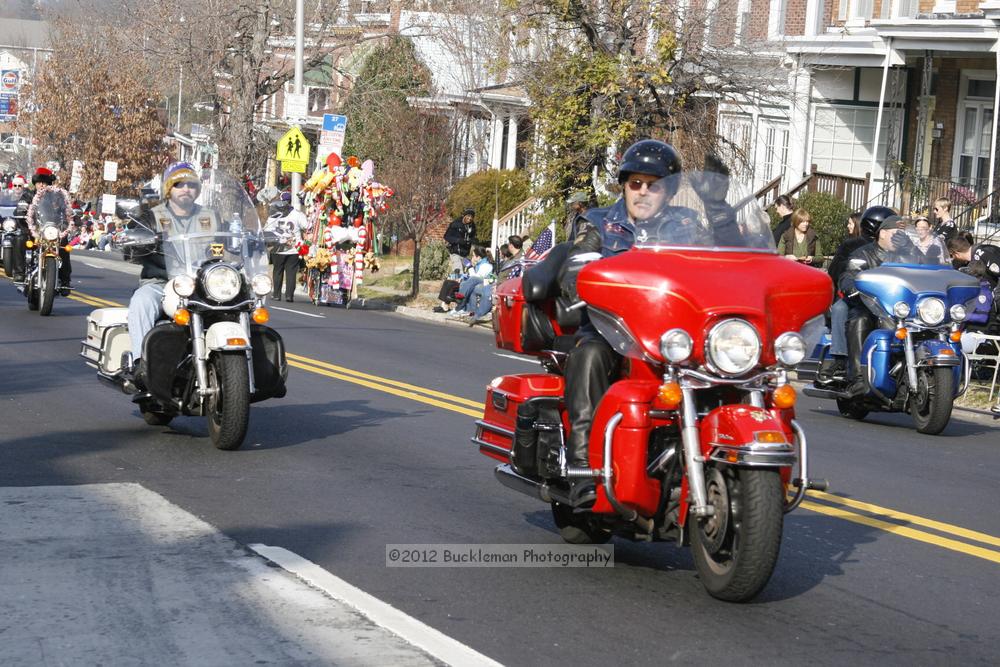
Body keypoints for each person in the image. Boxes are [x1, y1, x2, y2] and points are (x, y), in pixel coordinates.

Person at [559, 139, 691, 506]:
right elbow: (574, 271)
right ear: (624, 185)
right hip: (612, 332)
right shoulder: (599, 223)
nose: (644, 191)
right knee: (590, 357)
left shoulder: (689, 227)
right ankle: (583, 466)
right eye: (636, 183)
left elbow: (719, 267)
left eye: (654, 184)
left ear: (669, 191)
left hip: (673, 337)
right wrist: (588, 280)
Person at [126, 162, 220, 387]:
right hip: (161, 281)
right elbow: (130, 241)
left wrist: (248, 241)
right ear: (169, 189)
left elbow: (230, 243)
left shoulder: (211, 216)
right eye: (179, 184)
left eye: (191, 184)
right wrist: (138, 243)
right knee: (141, 301)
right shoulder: (151, 216)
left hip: (203, 284)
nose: (185, 189)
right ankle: (142, 364)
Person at [839, 214, 909, 398]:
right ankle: (859, 378)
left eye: (903, 233)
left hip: (901, 309)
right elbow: (849, 274)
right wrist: (852, 286)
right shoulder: (863, 253)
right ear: (883, 233)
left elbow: (927, 269)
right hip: (871, 306)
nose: (900, 236)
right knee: (860, 318)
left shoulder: (907, 256)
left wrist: (911, 248)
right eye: (896, 232)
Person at [817, 211, 870, 384]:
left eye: (850, 223)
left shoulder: (881, 248)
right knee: (840, 308)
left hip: (876, 294)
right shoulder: (848, 246)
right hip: (853, 292)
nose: (848, 226)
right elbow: (835, 271)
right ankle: (839, 358)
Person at [24, 168, 74, 290]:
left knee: (64, 245)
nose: (41, 184)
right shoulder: (28, 195)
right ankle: (20, 273)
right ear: (35, 183)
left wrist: (73, 216)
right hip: (34, 230)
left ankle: (65, 280)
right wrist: (22, 209)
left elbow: (66, 209)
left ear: (48, 184)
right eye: (39, 182)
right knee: (21, 239)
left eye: (44, 182)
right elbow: (21, 206)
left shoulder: (56, 196)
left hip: (51, 230)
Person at [264, 200, 309, 302]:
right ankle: (289, 296)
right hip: (294, 248)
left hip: (277, 248)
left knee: (277, 271)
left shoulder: (273, 215)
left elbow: (267, 231)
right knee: (291, 273)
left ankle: (276, 295)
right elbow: (306, 226)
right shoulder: (297, 214)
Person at [443, 208, 476, 274]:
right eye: (468, 216)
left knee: (470, 271)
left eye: (471, 217)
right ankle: (457, 282)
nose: (469, 218)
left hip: (465, 255)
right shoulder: (455, 224)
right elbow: (446, 237)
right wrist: (458, 240)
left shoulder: (472, 226)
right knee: (459, 271)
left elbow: (473, 237)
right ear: (464, 215)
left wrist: (470, 241)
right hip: (455, 253)